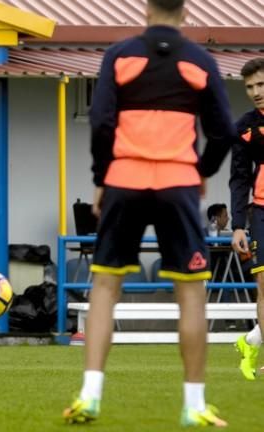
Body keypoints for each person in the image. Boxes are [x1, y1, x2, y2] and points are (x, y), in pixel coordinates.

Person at [62, 0, 235, 427]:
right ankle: (193, 406)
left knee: (105, 287)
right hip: (177, 184)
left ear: (146, 9)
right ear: (185, 13)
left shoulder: (120, 54)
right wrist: (200, 172)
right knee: (191, 294)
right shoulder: (200, 59)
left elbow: (101, 122)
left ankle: (90, 395)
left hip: (124, 179)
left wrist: (104, 177)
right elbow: (224, 131)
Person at [230, 57, 264, 381]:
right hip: (262, 214)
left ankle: (251, 340)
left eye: (261, 85)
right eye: (250, 87)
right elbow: (239, 178)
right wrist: (238, 224)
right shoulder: (244, 127)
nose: (256, 92)